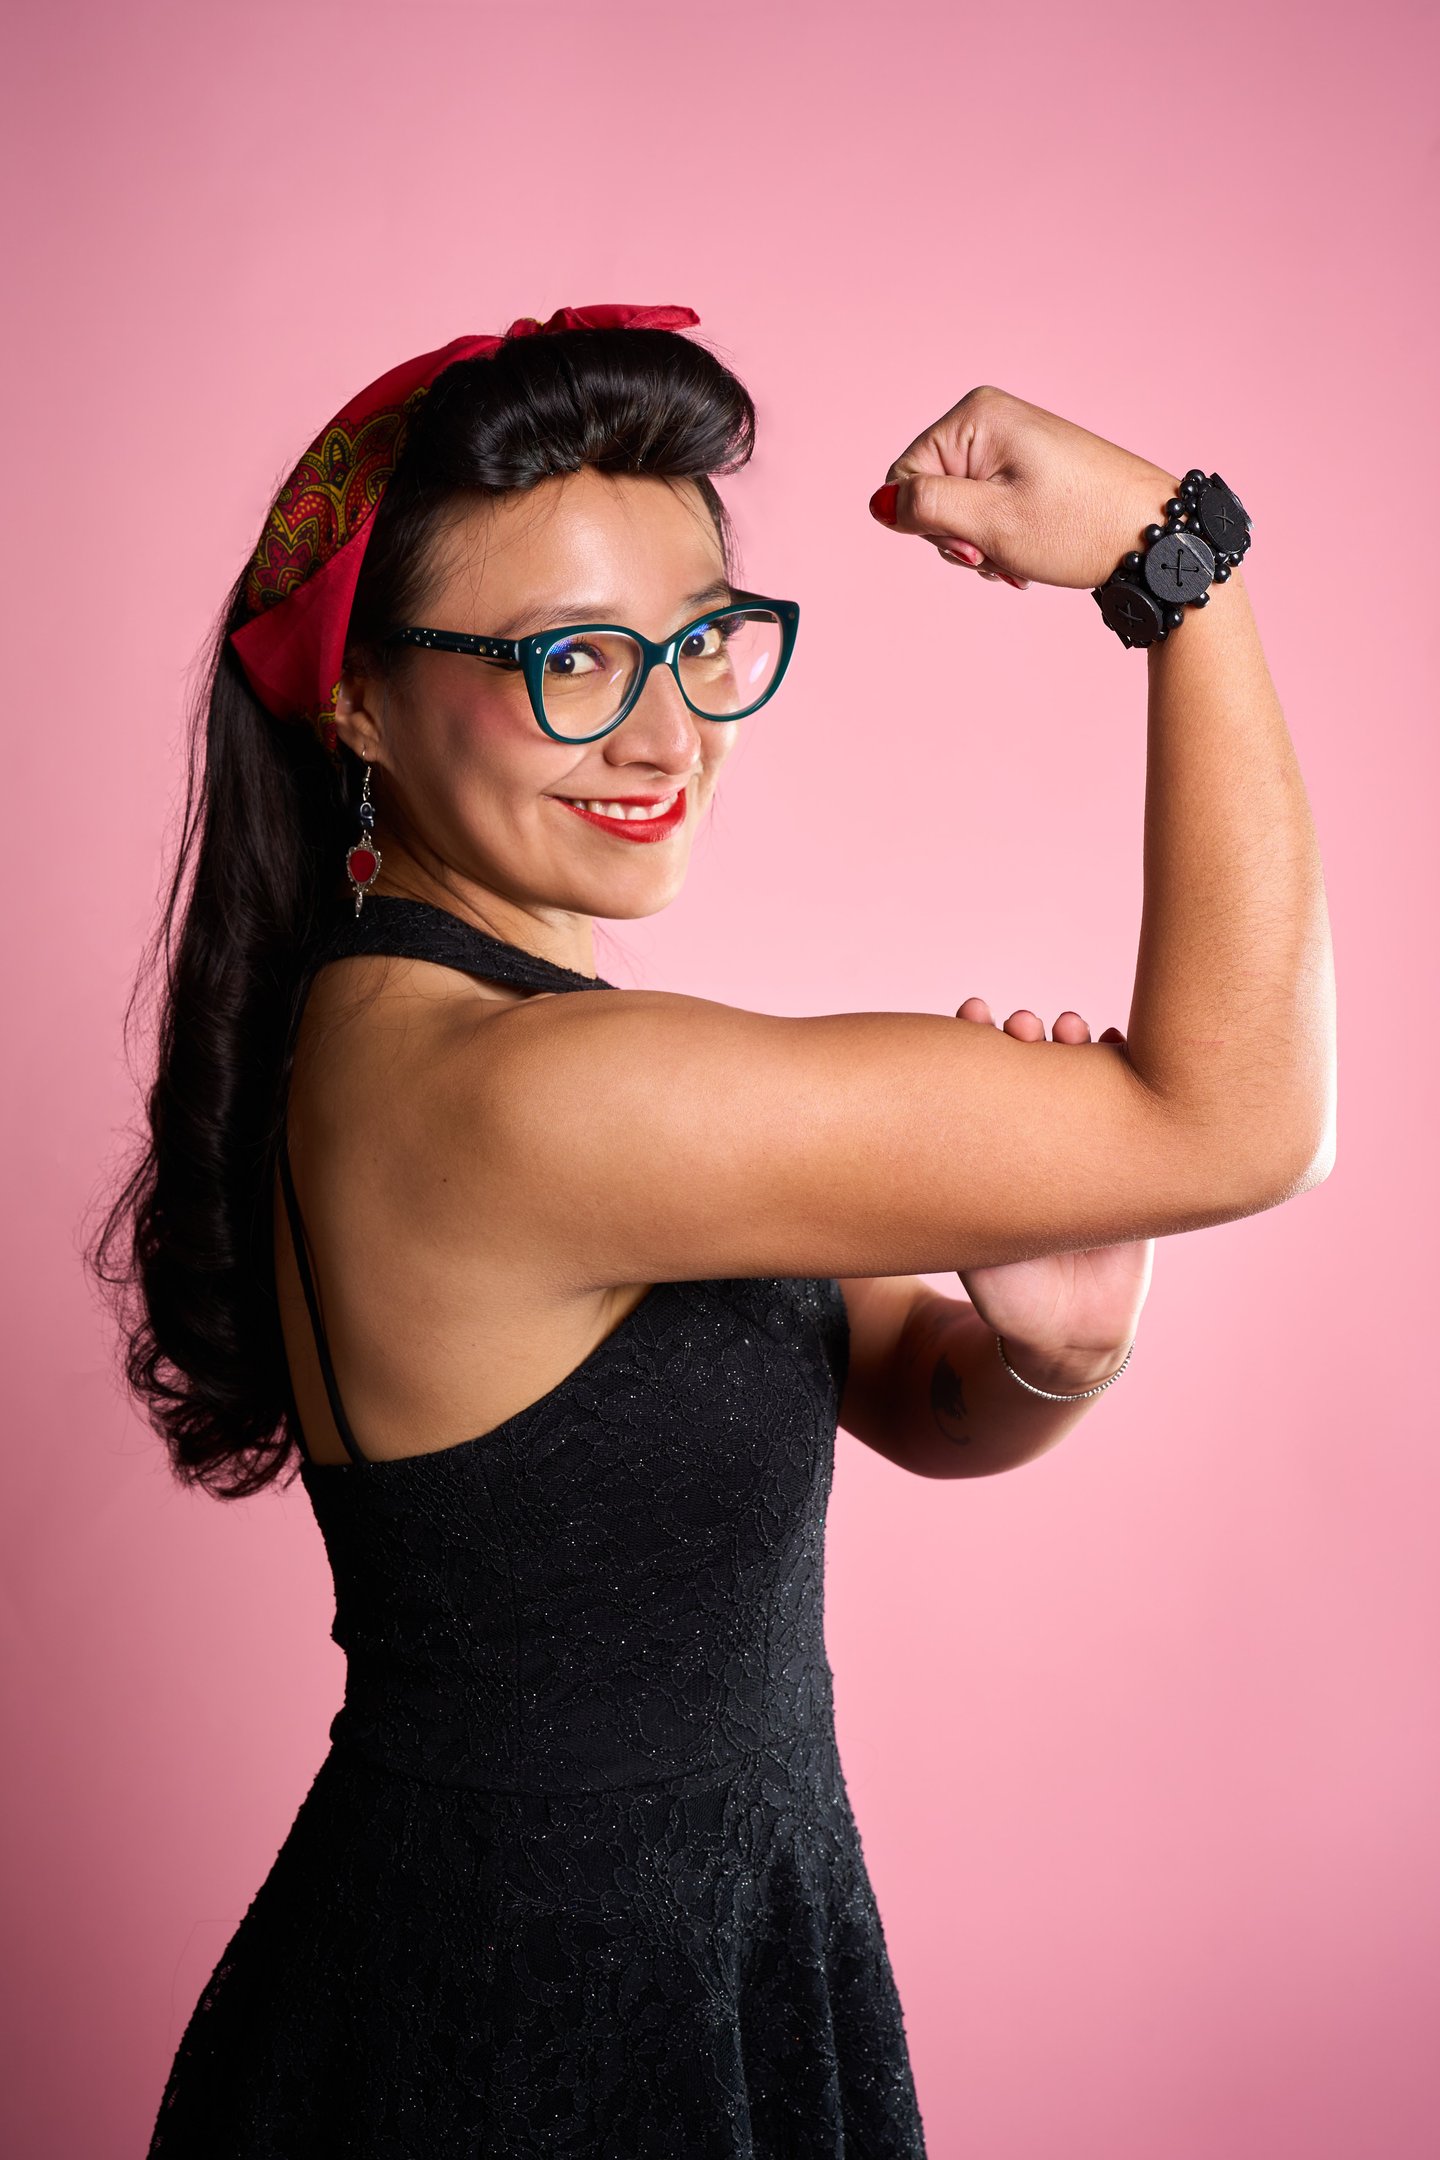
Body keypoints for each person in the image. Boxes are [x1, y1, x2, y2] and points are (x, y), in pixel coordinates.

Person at [98, 302, 1335, 2157]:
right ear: (355, 696)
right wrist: (1182, 571)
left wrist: (1054, 1353)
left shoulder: (480, 1041)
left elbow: (909, 1389)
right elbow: (1245, 1120)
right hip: (536, 2034)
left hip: (621, 1965)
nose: (669, 729)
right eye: (572, 659)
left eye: (695, 641)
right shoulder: (525, 1100)